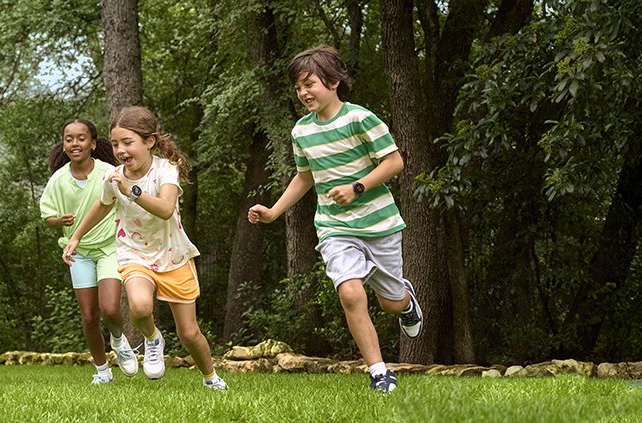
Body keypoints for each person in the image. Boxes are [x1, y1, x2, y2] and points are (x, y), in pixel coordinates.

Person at [247, 45, 423, 393]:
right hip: (334, 227)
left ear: (333, 82)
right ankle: (379, 372)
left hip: (379, 225)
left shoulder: (360, 119)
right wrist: (273, 211)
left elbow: (394, 162)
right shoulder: (301, 131)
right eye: (298, 87)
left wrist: (358, 187)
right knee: (350, 292)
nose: (303, 93)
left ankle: (406, 301)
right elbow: (304, 177)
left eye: (309, 84)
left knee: (390, 303)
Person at [62, 106, 228, 390]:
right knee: (139, 307)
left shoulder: (166, 170)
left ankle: (210, 377)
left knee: (189, 333)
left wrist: (131, 191)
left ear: (149, 141)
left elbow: (165, 209)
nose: (121, 150)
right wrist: (76, 237)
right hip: (134, 253)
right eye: (116, 144)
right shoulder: (114, 177)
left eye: (128, 142)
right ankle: (152, 339)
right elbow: (102, 206)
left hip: (173, 255)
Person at [40, 118, 140, 385]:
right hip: (79, 253)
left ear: (93, 144)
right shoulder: (58, 180)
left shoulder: (109, 172)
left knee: (110, 308)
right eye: (69, 139)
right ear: (64, 145)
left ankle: (118, 340)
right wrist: (58, 221)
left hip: (109, 247)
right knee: (89, 316)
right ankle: (102, 371)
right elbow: (47, 216)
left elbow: (127, 200)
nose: (75, 143)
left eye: (81, 138)